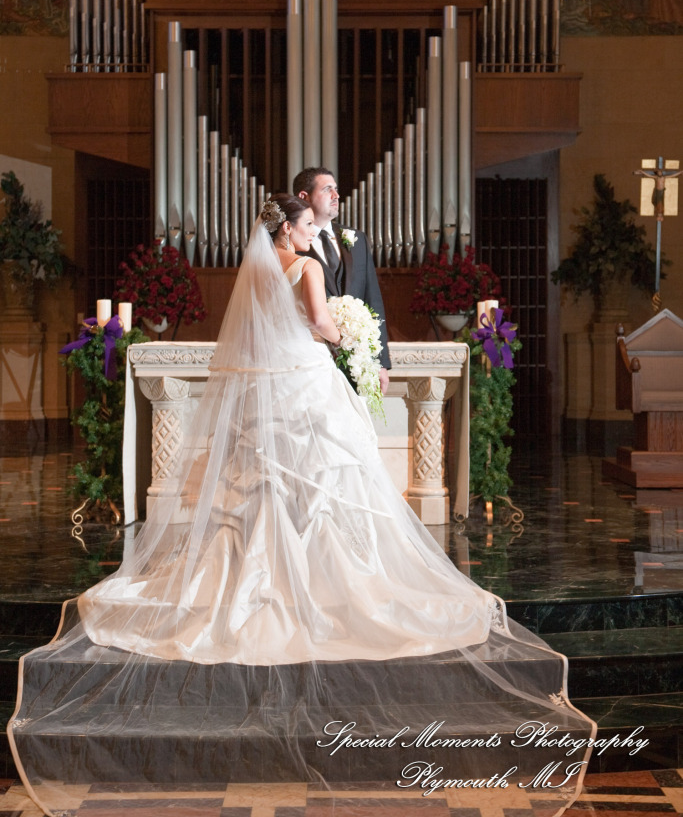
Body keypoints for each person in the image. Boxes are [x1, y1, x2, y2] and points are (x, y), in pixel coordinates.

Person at [9, 196, 596, 816]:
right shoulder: (308, 266)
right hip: (307, 382)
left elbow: (263, 325)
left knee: (260, 488)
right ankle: (323, 585)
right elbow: (318, 322)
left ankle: (256, 582)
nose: (319, 229)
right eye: (311, 222)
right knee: (322, 486)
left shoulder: (257, 268)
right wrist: (351, 336)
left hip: (266, 387)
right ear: (289, 226)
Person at [293, 166, 391, 390]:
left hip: (356, 361)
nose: (336, 196)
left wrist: (380, 362)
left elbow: (372, 300)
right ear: (303, 197)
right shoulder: (291, 244)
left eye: (336, 190)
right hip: (309, 359)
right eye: (327, 190)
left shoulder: (357, 239)